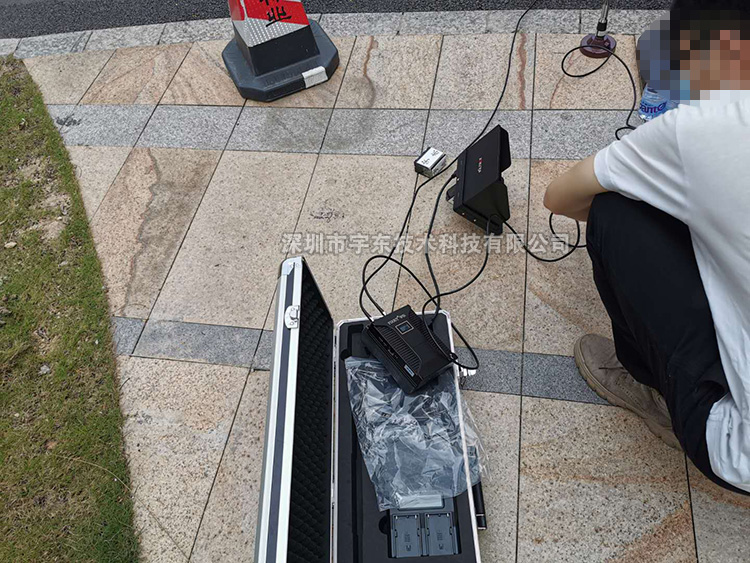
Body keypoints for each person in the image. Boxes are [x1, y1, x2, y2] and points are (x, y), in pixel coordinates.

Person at [543, 1, 750, 495]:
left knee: (614, 212)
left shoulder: (706, 124)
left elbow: (559, 197)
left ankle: (650, 389)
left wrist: (666, 189)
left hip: (736, 442)